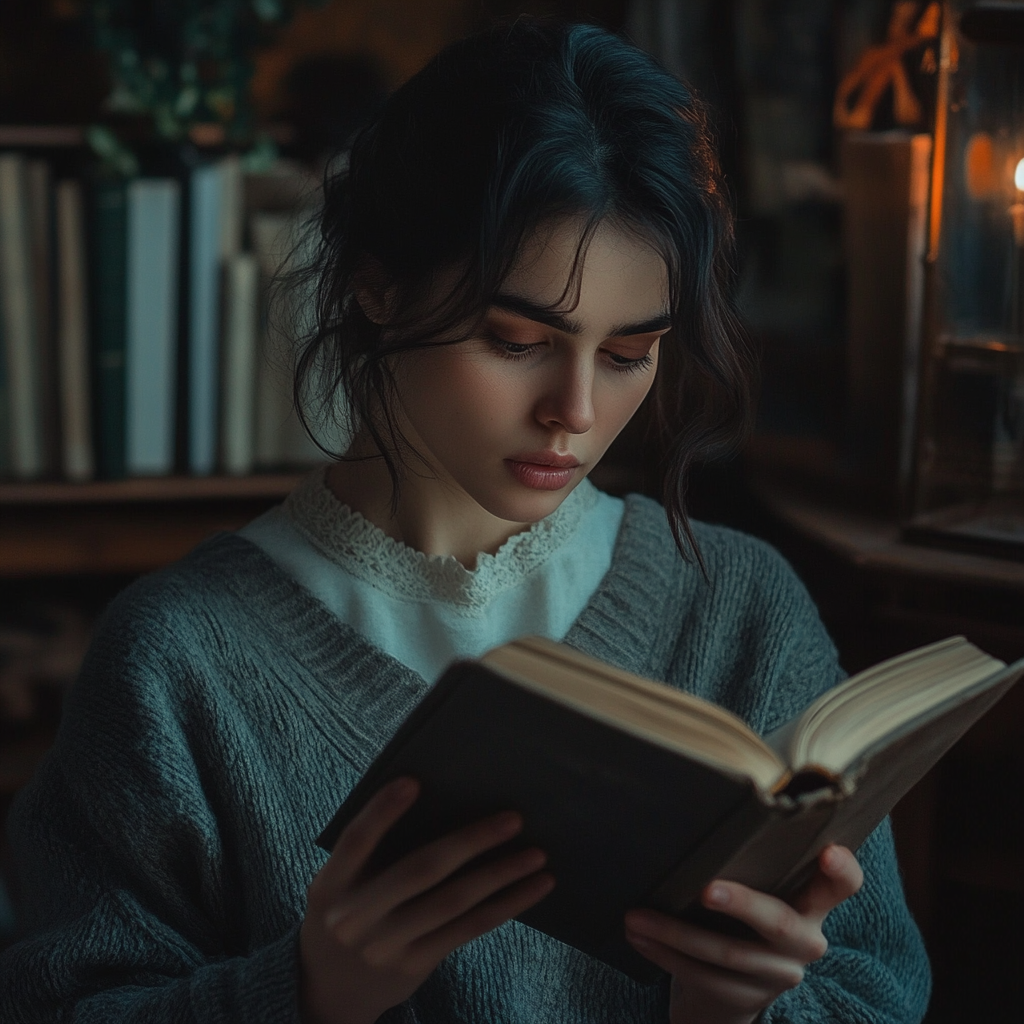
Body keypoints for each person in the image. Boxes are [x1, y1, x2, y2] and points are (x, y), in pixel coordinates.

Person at [0, 18, 930, 1024]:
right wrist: (309, 992)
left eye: (627, 354)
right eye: (516, 337)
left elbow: (877, 994)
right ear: (379, 287)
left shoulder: (740, 606)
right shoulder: (177, 660)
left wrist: (738, 1009)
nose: (573, 411)